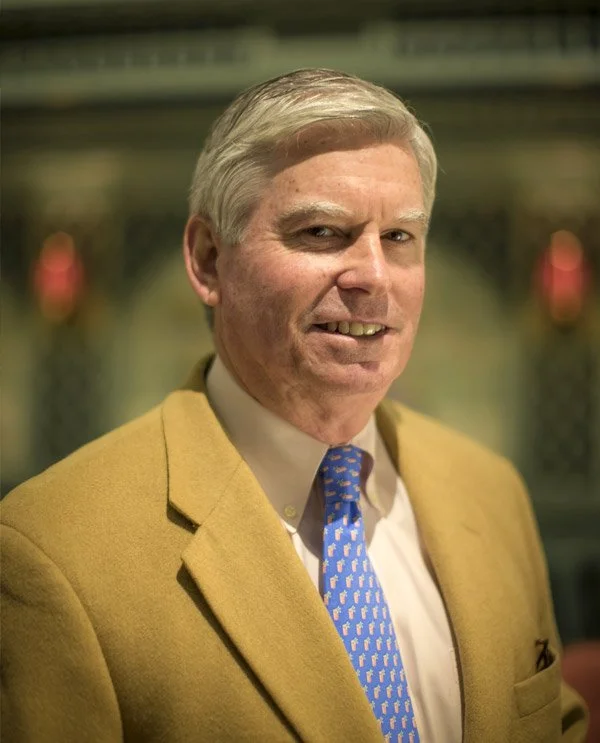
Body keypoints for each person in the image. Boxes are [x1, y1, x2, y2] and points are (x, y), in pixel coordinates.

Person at [1, 68, 588, 743]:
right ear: (209, 259)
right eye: (320, 232)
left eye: (399, 237)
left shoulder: (491, 489)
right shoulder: (51, 550)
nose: (372, 275)